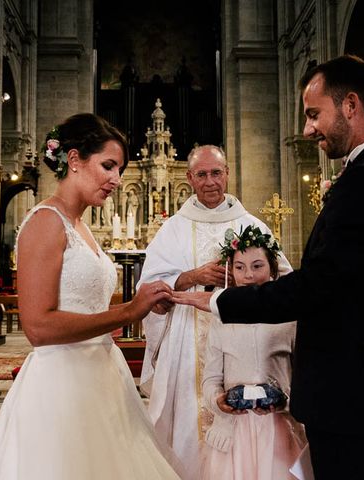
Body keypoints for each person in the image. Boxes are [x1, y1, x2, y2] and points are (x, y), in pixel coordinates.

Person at [173, 55, 364, 480]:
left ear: (350, 105)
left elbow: (318, 286)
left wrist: (222, 301)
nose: (308, 129)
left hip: (358, 399)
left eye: (314, 114)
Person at [0, 113, 180, 479]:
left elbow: (88, 307)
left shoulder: (81, 227)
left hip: (101, 375)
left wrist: (142, 306)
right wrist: (128, 312)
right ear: (74, 160)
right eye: (108, 166)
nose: (117, 180)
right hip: (61, 385)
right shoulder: (45, 222)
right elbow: (38, 327)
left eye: (119, 169)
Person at [137, 144, 292, 479]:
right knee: (188, 422)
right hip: (187, 344)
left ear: (227, 174)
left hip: (247, 347)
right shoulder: (173, 228)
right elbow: (149, 285)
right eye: (202, 174)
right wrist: (193, 276)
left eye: (216, 173)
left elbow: (286, 283)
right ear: (190, 178)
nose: (210, 181)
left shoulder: (253, 226)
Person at [202, 225, 310, 480]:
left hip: (278, 431)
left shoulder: (290, 320)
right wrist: (218, 399)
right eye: (239, 267)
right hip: (232, 434)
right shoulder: (221, 320)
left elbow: (305, 375)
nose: (248, 275)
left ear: (273, 269)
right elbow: (210, 379)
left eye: (257, 266)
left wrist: (285, 399)